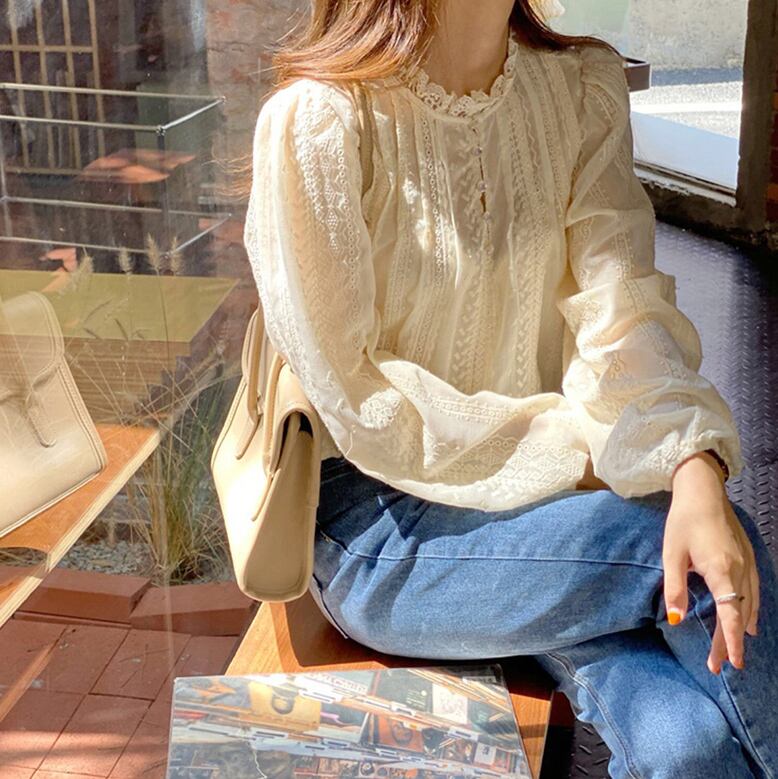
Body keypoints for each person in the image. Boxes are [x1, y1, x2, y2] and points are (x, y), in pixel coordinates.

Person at [241, 0, 778, 776]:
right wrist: (584, 450)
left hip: (548, 512)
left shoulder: (581, 89)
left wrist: (691, 465)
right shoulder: (318, 123)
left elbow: (622, 316)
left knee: (683, 741)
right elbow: (362, 402)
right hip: (384, 531)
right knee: (694, 554)